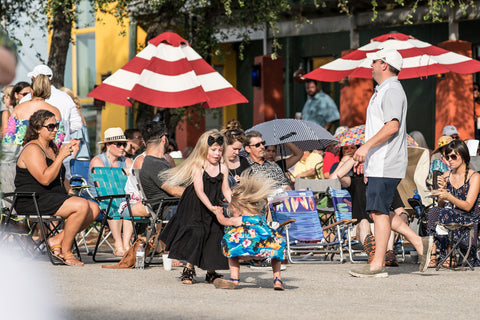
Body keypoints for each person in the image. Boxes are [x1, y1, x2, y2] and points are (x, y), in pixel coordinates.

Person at [350, 48, 433, 277]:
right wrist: (367, 161)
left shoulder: (392, 90)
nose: (371, 65)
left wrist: (365, 148)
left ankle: (377, 265)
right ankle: (419, 242)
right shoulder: (384, 90)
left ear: (384, 65)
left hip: (386, 160)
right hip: (380, 161)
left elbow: (392, 126)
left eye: (374, 62)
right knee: (381, 210)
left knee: (377, 212)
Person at [15, 110, 99, 266]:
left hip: (50, 196)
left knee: (93, 208)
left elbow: (61, 176)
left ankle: (55, 240)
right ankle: (66, 251)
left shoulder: (51, 147)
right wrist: (61, 156)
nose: (55, 130)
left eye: (57, 126)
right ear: (38, 128)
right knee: (81, 206)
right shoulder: (32, 149)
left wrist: (71, 192)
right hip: (32, 198)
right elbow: (45, 179)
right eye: (51, 126)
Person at [159, 129, 231, 284]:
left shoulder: (223, 167)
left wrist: (233, 204)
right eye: (213, 150)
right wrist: (210, 207)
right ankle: (189, 268)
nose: (217, 153)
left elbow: (225, 189)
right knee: (196, 233)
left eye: (220, 150)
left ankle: (211, 271)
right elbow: (199, 191)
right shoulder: (198, 166)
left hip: (214, 203)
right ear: (205, 149)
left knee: (214, 234)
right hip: (195, 204)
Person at [331, 143, 410, 267]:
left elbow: (400, 210)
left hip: (382, 228)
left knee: (388, 219)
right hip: (360, 229)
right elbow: (340, 175)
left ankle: (389, 253)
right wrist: (356, 157)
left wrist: (403, 218)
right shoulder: (356, 183)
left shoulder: (385, 187)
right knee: (364, 223)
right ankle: (372, 252)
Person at [211, 172, 286, 290]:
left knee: (232, 252)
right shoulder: (260, 217)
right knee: (275, 256)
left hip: (246, 251)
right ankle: (277, 280)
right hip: (266, 250)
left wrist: (218, 212)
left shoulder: (240, 219)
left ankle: (234, 279)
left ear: (239, 206)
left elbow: (223, 221)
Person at [427, 140, 480, 268]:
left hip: (469, 219)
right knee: (433, 211)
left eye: (453, 156)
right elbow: (441, 206)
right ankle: (433, 254)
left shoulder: (475, 177)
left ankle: (448, 255)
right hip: (450, 215)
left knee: (445, 213)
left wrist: (448, 196)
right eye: (447, 157)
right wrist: (442, 192)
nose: (450, 160)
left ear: (463, 156)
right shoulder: (446, 176)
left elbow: (468, 206)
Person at [90, 127, 133, 256]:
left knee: (130, 203)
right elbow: (104, 186)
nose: (122, 148)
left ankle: (126, 244)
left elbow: (134, 177)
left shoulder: (126, 160)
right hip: (102, 198)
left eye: (124, 144)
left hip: (123, 197)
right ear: (108, 145)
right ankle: (118, 243)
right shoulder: (98, 161)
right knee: (113, 199)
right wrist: (123, 174)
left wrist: (116, 175)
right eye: (119, 144)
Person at [2, 75, 64, 163]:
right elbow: (58, 140)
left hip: (20, 157)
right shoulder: (55, 111)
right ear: (48, 90)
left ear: (31, 90)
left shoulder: (18, 108)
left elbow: (9, 136)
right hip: (44, 157)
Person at [21, 65, 82, 143]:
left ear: (33, 79)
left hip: (30, 148)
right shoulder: (66, 97)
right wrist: (64, 130)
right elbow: (77, 124)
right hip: (61, 146)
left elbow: (14, 135)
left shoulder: (24, 101)